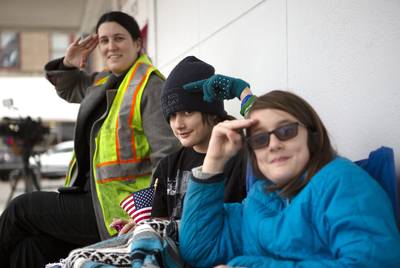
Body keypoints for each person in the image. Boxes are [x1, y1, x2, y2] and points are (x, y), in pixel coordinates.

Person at [0, 11, 180, 268]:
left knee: (21, 209)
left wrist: (148, 217)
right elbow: (70, 88)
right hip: (89, 200)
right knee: (29, 249)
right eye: (104, 40)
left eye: (118, 38)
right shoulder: (104, 81)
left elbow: (168, 158)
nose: (110, 46)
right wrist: (68, 63)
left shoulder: (150, 87)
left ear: (138, 44)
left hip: (119, 212)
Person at [179, 89, 400, 267]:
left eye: (286, 131)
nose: (274, 144)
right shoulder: (259, 198)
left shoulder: (341, 181)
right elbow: (200, 249)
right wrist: (214, 162)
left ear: (312, 135)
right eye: (260, 139)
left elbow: (372, 261)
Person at [111, 56, 247, 236]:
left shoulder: (242, 158)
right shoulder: (167, 167)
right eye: (172, 115)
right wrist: (140, 226)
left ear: (212, 113)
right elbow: (158, 224)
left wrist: (243, 92)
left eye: (187, 112)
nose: (178, 124)